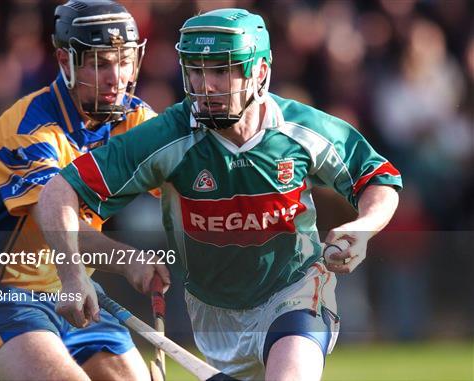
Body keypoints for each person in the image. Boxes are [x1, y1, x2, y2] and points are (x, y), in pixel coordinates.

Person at [38, 8, 402, 381]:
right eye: (195, 71)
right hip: (213, 317)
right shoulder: (169, 136)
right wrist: (72, 276)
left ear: (259, 72)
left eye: (221, 70)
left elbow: (379, 178)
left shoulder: (300, 129)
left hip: (295, 290)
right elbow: (57, 192)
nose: (206, 86)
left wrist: (364, 228)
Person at [0, 1, 169, 380]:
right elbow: (54, 219)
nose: (117, 77)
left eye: (125, 60)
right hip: (4, 296)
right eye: (100, 63)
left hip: (77, 289)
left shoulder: (134, 118)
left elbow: (187, 186)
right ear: (66, 61)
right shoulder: (29, 129)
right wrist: (127, 259)